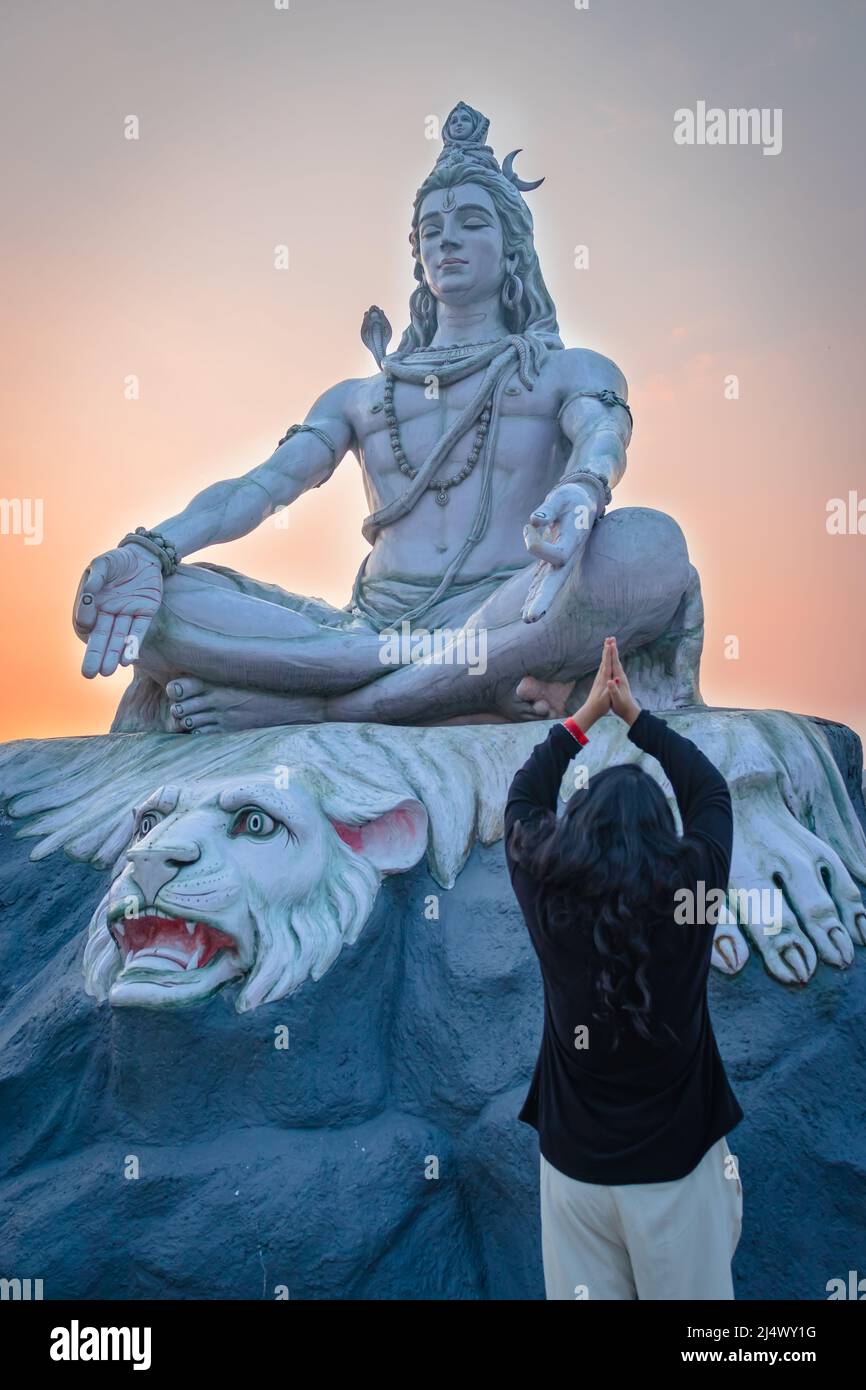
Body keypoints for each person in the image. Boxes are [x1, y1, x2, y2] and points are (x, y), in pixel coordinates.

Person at [504, 636, 744, 1300]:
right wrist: (638, 720)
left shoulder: (548, 896)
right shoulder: (692, 889)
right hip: (677, 1176)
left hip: (575, 1176)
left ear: (576, 830)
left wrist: (584, 718)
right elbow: (711, 794)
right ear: (666, 836)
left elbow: (525, 801)